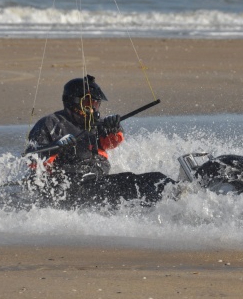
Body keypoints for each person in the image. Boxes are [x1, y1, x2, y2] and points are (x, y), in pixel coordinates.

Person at [24, 74, 175, 208]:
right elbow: (32, 158)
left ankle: (180, 191)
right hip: (70, 189)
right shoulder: (50, 123)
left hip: (96, 183)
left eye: (96, 105)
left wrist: (114, 128)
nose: (93, 110)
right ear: (74, 103)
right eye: (89, 105)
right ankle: (174, 197)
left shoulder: (94, 124)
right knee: (134, 185)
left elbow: (111, 142)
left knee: (153, 178)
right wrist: (57, 147)